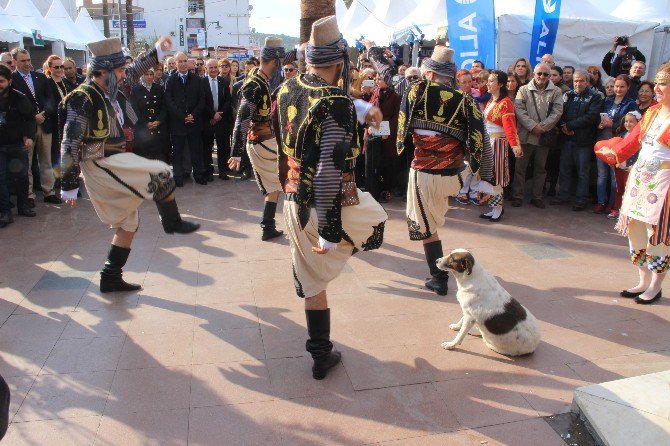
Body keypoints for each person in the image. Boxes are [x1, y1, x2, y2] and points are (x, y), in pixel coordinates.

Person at [275, 16, 387, 380]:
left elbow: (320, 107)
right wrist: (329, 229)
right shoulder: (336, 101)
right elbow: (327, 171)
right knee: (376, 224)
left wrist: (360, 108)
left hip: (293, 200)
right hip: (328, 203)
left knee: (313, 282)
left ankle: (320, 355)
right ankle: (335, 246)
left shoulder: (287, 87)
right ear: (340, 63)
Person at [60, 36, 199, 293]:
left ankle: (110, 276)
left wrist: (157, 51)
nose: (126, 74)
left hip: (114, 160)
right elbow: (70, 140)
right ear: (105, 72)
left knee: (129, 223)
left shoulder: (111, 89)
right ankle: (172, 221)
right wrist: (68, 183)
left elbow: (136, 69)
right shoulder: (82, 97)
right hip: (99, 162)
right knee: (160, 173)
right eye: (121, 70)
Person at [370, 41, 495, 296]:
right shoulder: (467, 102)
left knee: (427, 227)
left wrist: (373, 52)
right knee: (433, 222)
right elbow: (483, 143)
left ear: (429, 72)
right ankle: (445, 271)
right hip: (454, 176)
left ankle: (439, 278)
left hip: (424, 175)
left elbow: (388, 74)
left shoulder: (416, 91)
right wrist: (486, 181)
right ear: (451, 74)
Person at [595, 63, 670, 305]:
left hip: (663, 183)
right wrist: (612, 152)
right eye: (657, 82)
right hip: (640, 180)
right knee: (635, 230)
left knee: (657, 235)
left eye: (664, 83)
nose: (657, 87)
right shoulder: (651, 112)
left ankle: (656, 286)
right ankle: (643, 280)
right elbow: (632, 142)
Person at [228, 37, 296, 241]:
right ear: (274, 62)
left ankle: (268, 226)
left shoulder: (259, 80)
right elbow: (241, 119)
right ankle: (278, 226)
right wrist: (235, 153)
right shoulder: (254, 85)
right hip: (261, 142)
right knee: (285, 179)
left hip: (263, 141)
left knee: (274, 186)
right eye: (280, 62)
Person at [11, 48, 60, 206]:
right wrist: (33, 117)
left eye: (28, 60)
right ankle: (29, 194)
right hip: (26, 127)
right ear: (15, 62)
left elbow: (50, 99)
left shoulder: (40, 77)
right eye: (23, 61)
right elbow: (13, 104)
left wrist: (44, 114)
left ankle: (49, 191)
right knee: (27, 163)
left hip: (44, 125)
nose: (27, 64)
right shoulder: (12, 80)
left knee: (46, 160)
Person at [511, 62, 563, 208]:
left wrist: (543, 127)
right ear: (534, 73)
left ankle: (537, 196)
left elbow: (557, 112)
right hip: (525, 135)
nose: (542, 76)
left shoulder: (556, 91)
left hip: (543, 137)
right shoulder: (523, 89)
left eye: (546, 74)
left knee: (540, 168)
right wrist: (533, 126)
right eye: (539, 73)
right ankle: (518, 195)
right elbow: (519, 110)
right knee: (520, 167)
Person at [550, 70, 603, 211]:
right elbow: (558, 112)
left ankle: (581, 200)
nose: (578, 83)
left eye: (581, 81)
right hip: (567, 139)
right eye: (575, 81)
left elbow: (591, 117)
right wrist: (562, 125)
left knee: (582, 172)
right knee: (565, 169)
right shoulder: (568, 95)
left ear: (587, 82)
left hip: (583, 141)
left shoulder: (595, 97)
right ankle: (563, 196)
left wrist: (570, 125)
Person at [479, 70, 522, 222]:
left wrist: (515, 145)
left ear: (501, 84)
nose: (488, 84)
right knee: (490, 176)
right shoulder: (491, 101)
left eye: (491, 81)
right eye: (488, 81)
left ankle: (498, 208)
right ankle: (493, 207)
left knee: (497, 176)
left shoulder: (506, 103)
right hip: (488, 143)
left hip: (497, 143)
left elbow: (510, 126)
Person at [596, 75, 639, 214]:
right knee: (602, 175)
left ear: (628, 88)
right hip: (603, 142)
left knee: (615, 177)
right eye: (616, 86)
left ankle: (613, 205)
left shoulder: (630, 104)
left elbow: (630, 126)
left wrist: (612, 125)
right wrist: (601, 124)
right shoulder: (607, 101)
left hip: (619, 145)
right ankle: (600, 202)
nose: (618, 89)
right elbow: (598, 117)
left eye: (622, 86)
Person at [0, 64, 36, 226]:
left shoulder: (19, 97)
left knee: (21, 177)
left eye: (1, 81)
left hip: (17, 145)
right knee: (1, 179)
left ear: (9, 80)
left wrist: (29, 137)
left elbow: (30, 118)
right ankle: (5, 212)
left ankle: (23, 206)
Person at [164, 51, 208, 186]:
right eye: (180, 61)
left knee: (196, 151)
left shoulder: (197, 80)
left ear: (188, 62)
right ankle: (178, 176)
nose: (183, 64)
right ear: (175, 64)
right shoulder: (170, 81)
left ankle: (198, 175)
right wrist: (182, 116)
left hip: (194, 122)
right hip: (178, 123)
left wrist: (192, 115)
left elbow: (202, 100)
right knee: (177, 152)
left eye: (185, 61)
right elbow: (169, 101)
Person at [364, 71, 401, 203]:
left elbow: (396, 118)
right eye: (377, 79)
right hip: (373, 133)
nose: (378, 81)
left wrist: (385, 131)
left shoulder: (396, 97)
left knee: (386, 164)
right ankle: (373, 191)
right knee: (373, 164)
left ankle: (386, 191)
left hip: (387, 136)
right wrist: (369, 126)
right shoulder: (375, 94)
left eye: (381, 79)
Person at [43, 55, 76, 178]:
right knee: (56, 151)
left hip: (68, 121)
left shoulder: (67, 82)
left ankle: (69, 176)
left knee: (68, 151)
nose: (60, 69)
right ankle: (58, 178)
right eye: (56, 67)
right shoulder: (46, 82)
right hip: (54, 123)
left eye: (61, 66)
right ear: (49, 68)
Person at [202, 58, 233, 181]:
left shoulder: (223, 82)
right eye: (211, 68)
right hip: (208, 120)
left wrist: (219, 114)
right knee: (207, 147)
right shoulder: (201, 82)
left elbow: (227, 101)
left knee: (223, 147)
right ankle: (209, 171)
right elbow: (201, 102)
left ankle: (223, 171)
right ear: (206, 69)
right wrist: (212, 115)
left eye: (216, 67)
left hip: (222, 120)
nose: (214, 70)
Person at [609, 111, 642, 220]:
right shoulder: (621, 135)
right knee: (618, 189)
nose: (628, 124)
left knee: (630, 190)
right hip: (620, 166)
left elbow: (640, 154)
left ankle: (627, 213)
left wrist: (634, 166)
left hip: (631, 168)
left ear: (638, 123)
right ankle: (616, 209)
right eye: (626, 121)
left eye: (631, 122)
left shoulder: (640, 138)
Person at [130, 68, 169, 161]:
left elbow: (164, 107)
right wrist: (146, 123)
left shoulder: (159, 88)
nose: (149, 77)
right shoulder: (136, 89)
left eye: (151, 74)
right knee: (144, 156)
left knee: (159, 155)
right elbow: (134, 110)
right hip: (143, 128)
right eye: (146, 74)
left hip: (158, 127)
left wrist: (159, 121)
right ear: (142, 76)